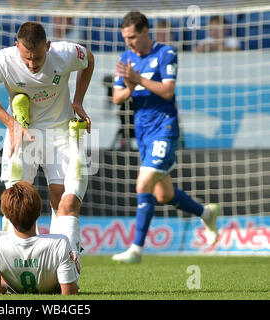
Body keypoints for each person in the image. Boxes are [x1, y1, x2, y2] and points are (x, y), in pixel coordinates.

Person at [0, 21, 94, 271]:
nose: (32, 64)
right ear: (16, 46)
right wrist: (10, 124)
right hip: (23, 132)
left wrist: (78, 100)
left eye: (37, 57)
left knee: (63, 200)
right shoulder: (4, 61)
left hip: (59, 133)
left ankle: (65, 266)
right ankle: (13, 271)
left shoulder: (65, 54)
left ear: (48, 47)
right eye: (26, 58)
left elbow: (89, 58)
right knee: (17, 205)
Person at [111, 11, 220, 263]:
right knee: (163, 195)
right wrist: (129, 86)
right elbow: (117, 97)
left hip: (165, 129)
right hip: (143, 133)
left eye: (133, 37)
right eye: (125, 38)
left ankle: (136, 249)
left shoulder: (165, 53)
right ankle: (205, 213)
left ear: (146, 32)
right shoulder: (126, 58)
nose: (128, 42)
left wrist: (138, 79)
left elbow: (168, 91)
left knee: (143, 184)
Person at [0, 181, 79, 294]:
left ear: (6, 215)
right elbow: (69, 293)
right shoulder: (60, 242)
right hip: (57, 277)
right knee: (69, 213)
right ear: (39, 212)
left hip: (13, 284)